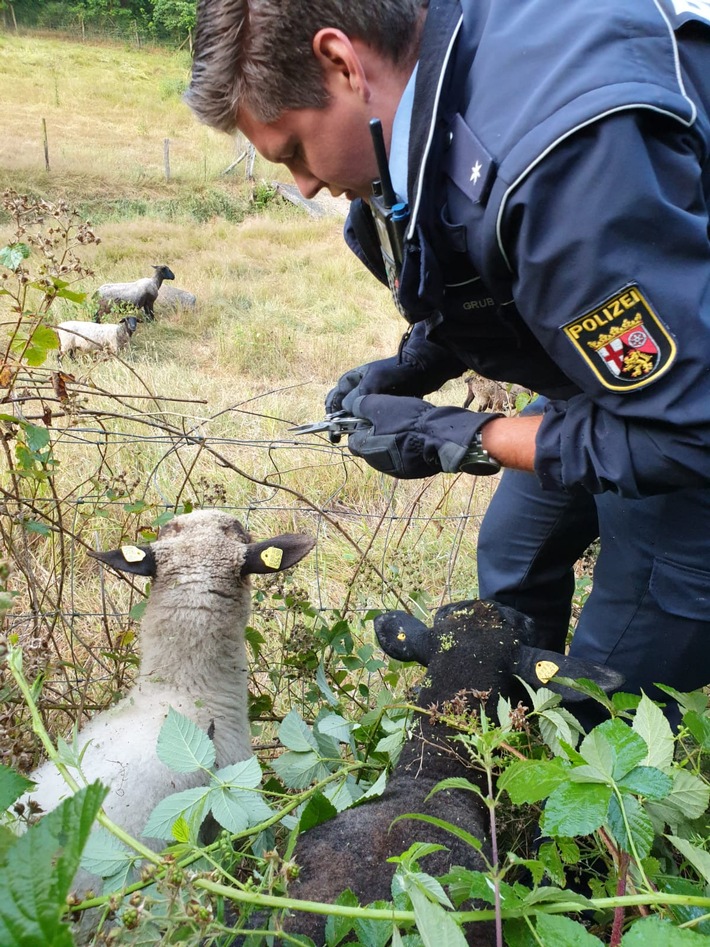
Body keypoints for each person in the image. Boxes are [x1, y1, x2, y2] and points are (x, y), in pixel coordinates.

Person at [186, 0, 710, 728]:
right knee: (515, 550)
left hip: (687, 419)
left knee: (605, 690)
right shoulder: (437, 77)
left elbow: (684, 432)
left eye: (295, 152)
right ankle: (501, 728)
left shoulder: (566, 168)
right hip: (642, 376)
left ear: (342, 63)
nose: (303, 184)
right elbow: (494, 256)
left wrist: (464, 437)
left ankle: (584, 783)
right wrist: (415, 364)